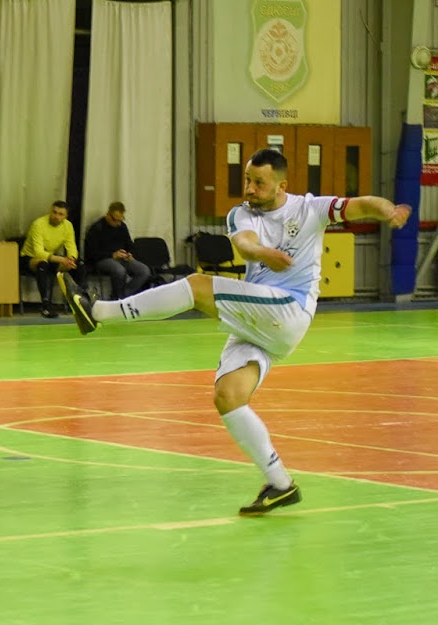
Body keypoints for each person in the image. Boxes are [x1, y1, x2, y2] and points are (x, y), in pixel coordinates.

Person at [58, 149, 411, 516]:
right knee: (228, 396)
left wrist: (388, 211)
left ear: (281, 185)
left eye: (259, 182)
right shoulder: (241, 213)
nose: (250, 188)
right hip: (260, 316)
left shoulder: (311, 208)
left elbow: (360, 204)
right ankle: (280, 484)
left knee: (196, 286)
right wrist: (263, 253)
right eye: (247, 180)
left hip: (290, 308)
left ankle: (97, 312)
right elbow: (243, 243)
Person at [20, 200, 84, 318]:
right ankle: (46, 306)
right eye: (54, 212)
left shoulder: (68, 226)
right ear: (50, 211)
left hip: (51, 258)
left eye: (60, 214)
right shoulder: (38, 224)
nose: (56, 216)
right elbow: (38, 252)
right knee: (43, 265)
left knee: (78, 265)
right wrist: (61, 260)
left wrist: (71, 259)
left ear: (65, 216)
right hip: (30, 258)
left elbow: (72, 247)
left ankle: (79, 303)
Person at [84, 201, 151, 299]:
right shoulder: (96, 228)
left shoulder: (122, 227)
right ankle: (117, 297)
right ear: (108, 215)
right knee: (119, 270)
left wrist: (129, 254)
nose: (118, 223)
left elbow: (129, 244)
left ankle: (122, 296)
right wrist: (112, 255)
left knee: (144, 271)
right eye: (115, 220)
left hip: (121, 258)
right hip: (102, 259)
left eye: (121, 219)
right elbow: (91, 253)